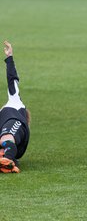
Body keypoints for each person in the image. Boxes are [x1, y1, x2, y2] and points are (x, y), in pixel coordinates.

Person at [0, 41, 31, 173]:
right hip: (16, 146)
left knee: (5, 137)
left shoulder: (14, 102)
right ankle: (7, 159)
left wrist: (9, 58)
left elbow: (12, 79)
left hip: (16, 126)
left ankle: (6, 160)